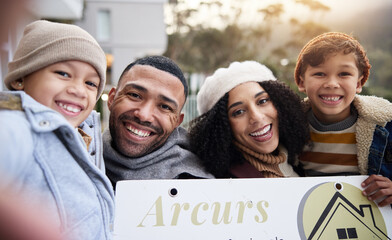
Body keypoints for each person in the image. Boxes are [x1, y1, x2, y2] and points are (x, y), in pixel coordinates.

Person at [0, 20, 114, 239]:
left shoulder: (84, 136)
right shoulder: (18, 126)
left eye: (91, 83)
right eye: (63, 73)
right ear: (21, 79)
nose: (79, 90)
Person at [294, 32, 392, 207]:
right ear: (301, 82)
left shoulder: (383, 125)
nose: (332, 83)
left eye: (344, 74)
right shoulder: (289, 127)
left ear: (359, 83)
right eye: (319, 74)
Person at [103, 55, 213, 185]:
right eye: (135, 95)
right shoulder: (80, 159)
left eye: (165, 107)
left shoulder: (199, 187)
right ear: (111, 99)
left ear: (177, 122)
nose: (144, 115)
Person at [188, 61, 310, 178]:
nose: (256, 117)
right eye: (239, 112)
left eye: (262, 101)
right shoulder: (219, 183)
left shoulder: (304, 162)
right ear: (221, 127)